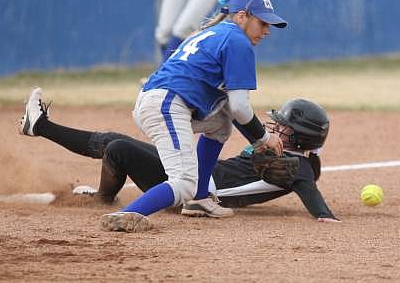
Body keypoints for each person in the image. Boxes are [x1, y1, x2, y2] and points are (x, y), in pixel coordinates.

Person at [94, 0, 287, 232]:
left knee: (220, 124)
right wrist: (264, 138)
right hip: (167, 106)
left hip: (159, 101)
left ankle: (200, 198)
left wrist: (258, 140)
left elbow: (231, 109)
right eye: (262, 22)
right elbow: (240, 106)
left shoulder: (215, 33)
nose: (267, 30)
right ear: (241, 16)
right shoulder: (239, 42)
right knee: (184, 181)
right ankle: (128, 214)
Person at [18, 87, 340, 225]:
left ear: (300, 137)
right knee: (116, 142)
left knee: (118, 147)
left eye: (283, 128)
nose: (275, 129)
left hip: (194, 191)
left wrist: (326, 215)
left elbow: (315, 200)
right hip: (197, 177)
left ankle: (45, 130)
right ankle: (42, 127)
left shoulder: (299, 166)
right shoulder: (292, 157)